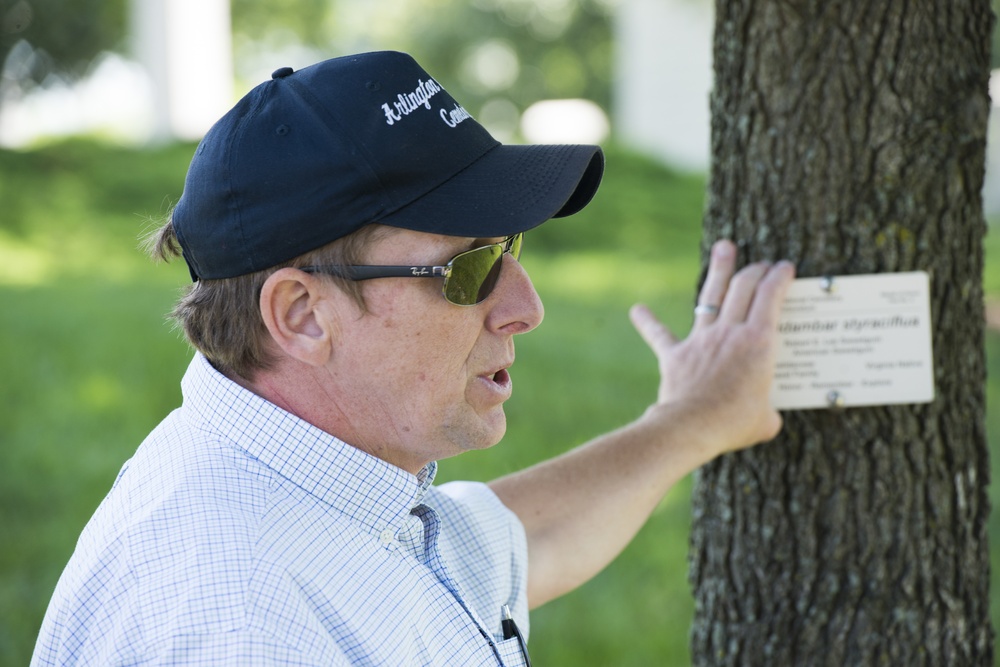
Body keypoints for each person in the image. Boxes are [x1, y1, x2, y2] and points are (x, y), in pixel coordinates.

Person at [31, 51, 795, 666]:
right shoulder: (238, 625)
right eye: (466, 269)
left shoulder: (313, 486)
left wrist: (694, 419)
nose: (525, 306)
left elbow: (513, 544)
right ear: (302, 316)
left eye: (508, 248)